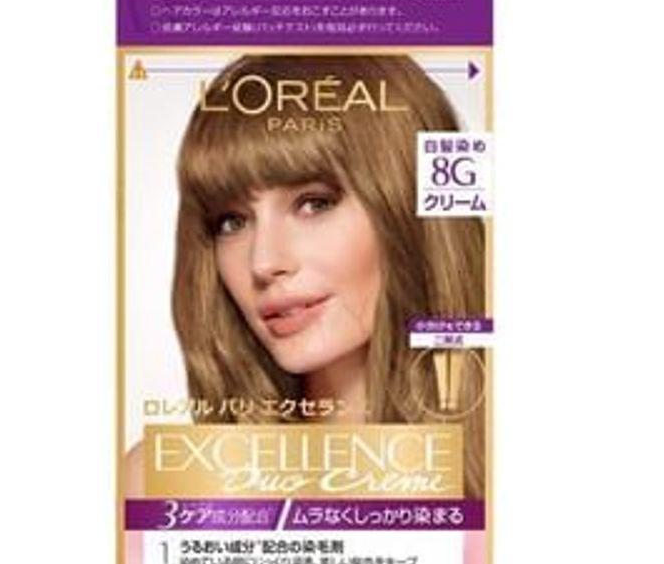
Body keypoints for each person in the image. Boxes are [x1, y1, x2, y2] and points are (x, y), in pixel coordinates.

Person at [173, 54, 486, 498]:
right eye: (232, 221)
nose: (263, 262)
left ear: (413, 209)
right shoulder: (165, 485)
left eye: (314, 203)